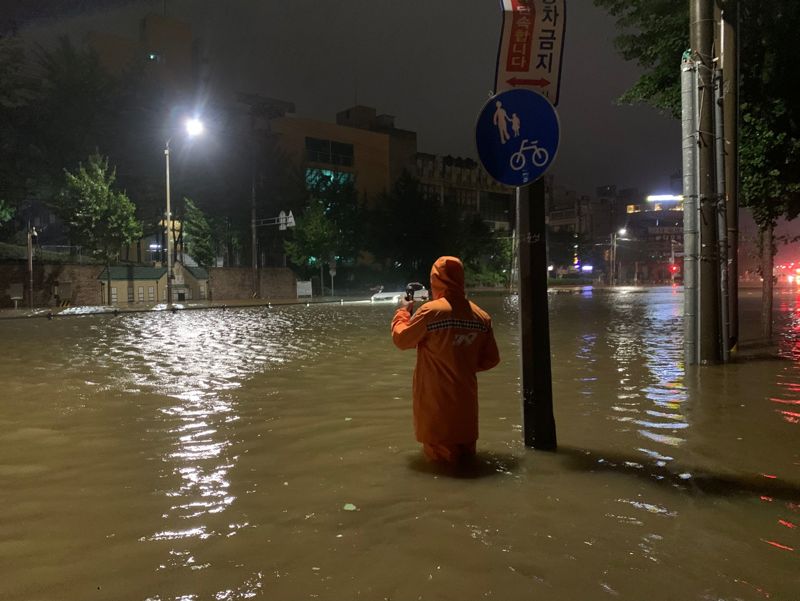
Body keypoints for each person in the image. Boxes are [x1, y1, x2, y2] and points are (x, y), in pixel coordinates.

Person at [391, 256, 500, 463]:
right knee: (468, 462)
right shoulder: (481, 317)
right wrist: (460, 362)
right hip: (466, 410)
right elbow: (491, 359)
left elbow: (401, 339)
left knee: (442, 470)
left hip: (437, 408)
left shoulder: (431, 312)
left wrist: (403, 311)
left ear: (435, 281)